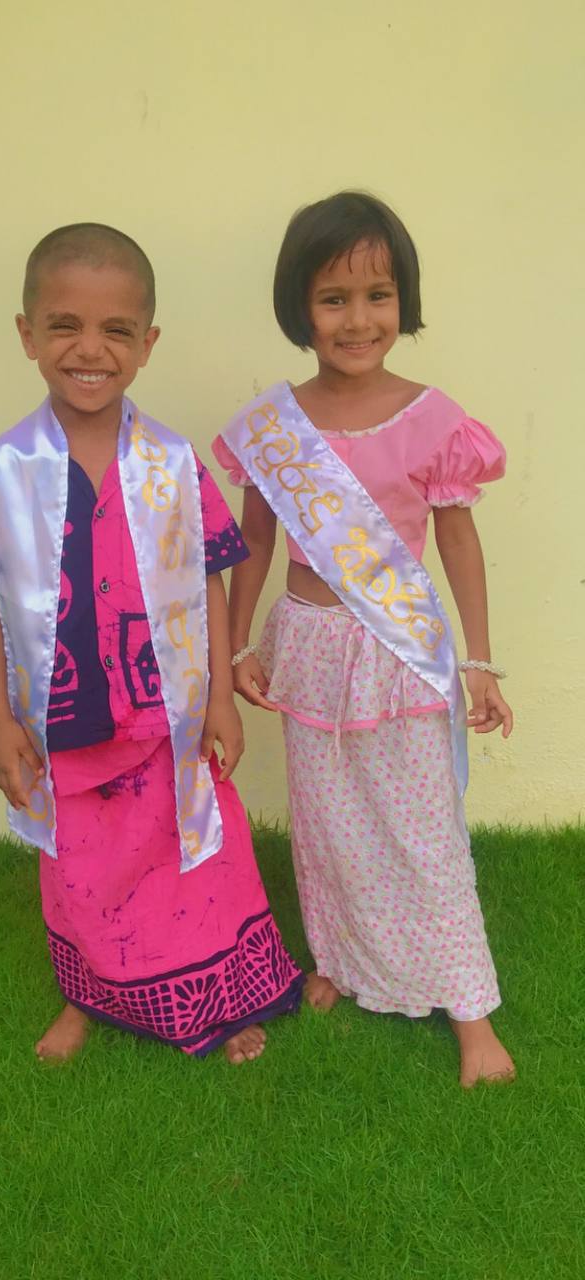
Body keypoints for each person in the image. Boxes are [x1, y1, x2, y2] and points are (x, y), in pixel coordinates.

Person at [0, 222, 302, 1064]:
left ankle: (217, 991)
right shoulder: (3, 471)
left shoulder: (171, 464)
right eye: (63, 325)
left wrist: (215, 700)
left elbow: (206, 578)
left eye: (115, 330)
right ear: (27, 335)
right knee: (80, 872)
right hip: (60, 720)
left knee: (191, 857)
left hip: (163, 717)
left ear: (146, 344)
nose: (88, 348)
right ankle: (86, 996)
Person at [212, 192, 515, 1086]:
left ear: (403, 299)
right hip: (303, 642)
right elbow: (255, 542)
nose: (357, 319)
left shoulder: (434, 417)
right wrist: (238, 650)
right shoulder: (273, 428)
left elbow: (457, 537)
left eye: (377, 295)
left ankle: (469, 1010)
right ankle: (344, 962)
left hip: (395, 646)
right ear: (298, 307)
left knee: (421, 830)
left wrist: (478, 663)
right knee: (328, 822)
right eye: (333, 298)